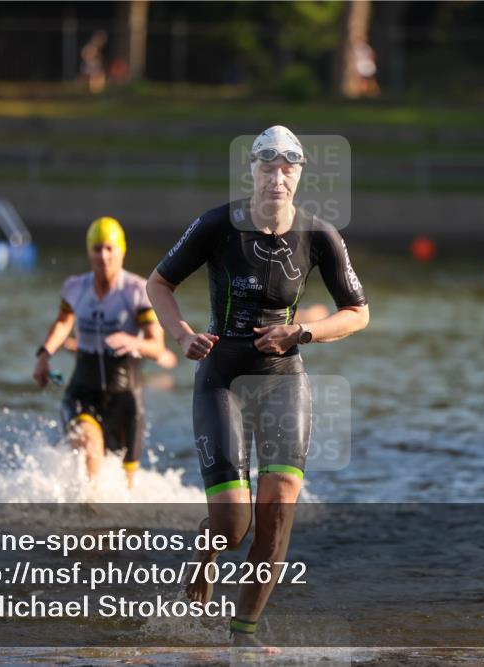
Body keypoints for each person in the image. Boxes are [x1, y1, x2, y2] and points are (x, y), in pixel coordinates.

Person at [146, 126, 370, 650]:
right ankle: (206, 556)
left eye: (287, 168)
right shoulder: (217, 225)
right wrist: (181, 335)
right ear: (251, 171)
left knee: (278, 511)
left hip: (282, 380)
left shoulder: (319, 236)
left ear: (299, 174)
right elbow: (158, 283)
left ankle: (242, 637)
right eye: (267, 167)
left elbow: (358, 313)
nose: (277, 177)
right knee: (232, 525)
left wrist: (303, 332)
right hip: (222, 379)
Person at [33, 217, 168, 489]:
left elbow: (157, 347)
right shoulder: (74, 287)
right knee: (87, 443)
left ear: (122, 251)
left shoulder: (137, 291)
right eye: (97, 249)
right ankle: (88, 515)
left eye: (110, 248)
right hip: (83, 390)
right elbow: (63, 322)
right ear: (88, 252)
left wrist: (135, 343)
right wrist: (44, 355)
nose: (103, 256)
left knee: (128, 488)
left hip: (125, 399)